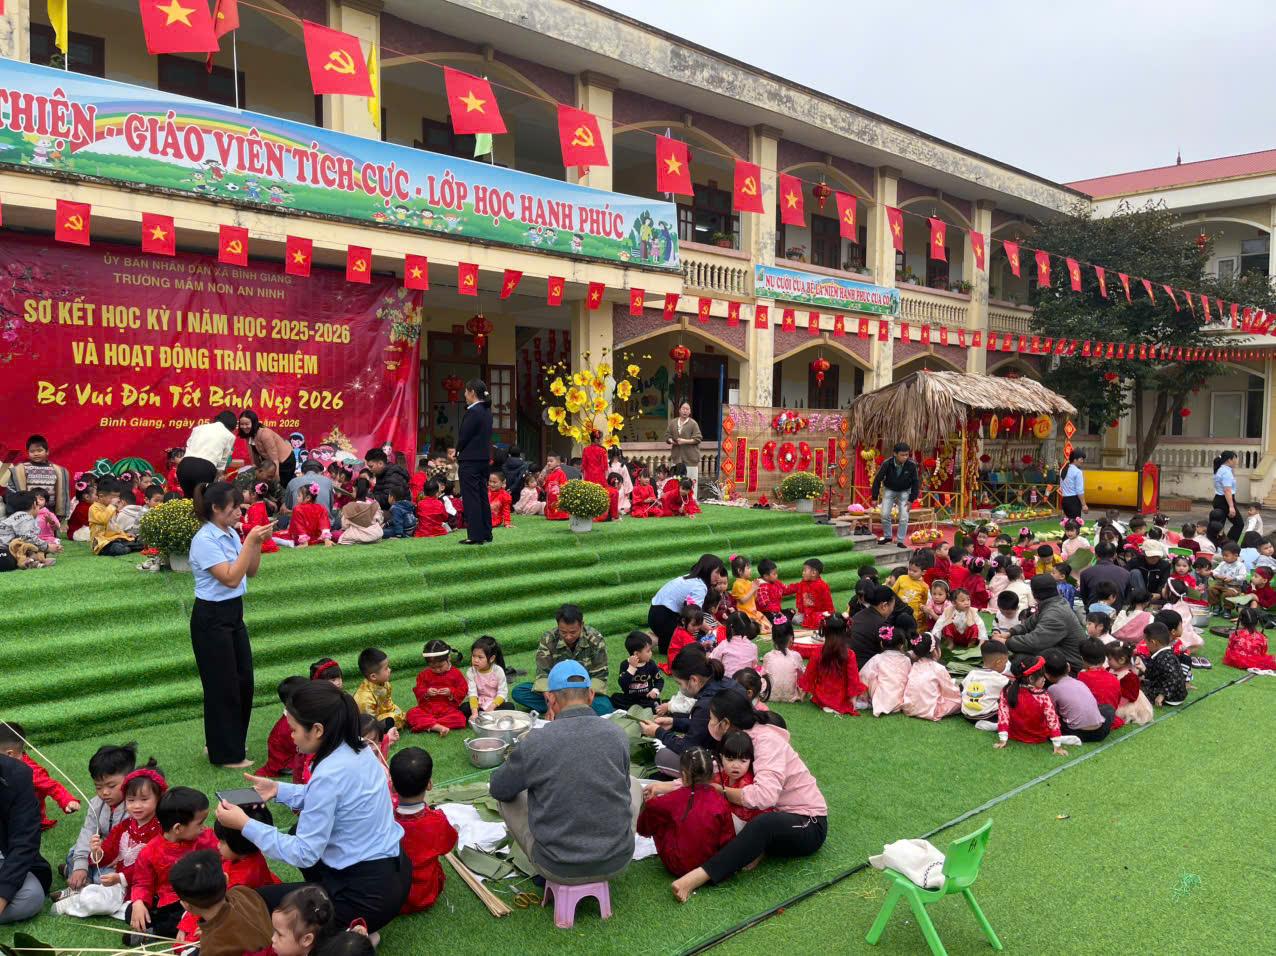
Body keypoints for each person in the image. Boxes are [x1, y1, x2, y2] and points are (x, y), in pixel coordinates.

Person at [217, 682, 411, 933]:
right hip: (394, 873)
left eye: (294, 729)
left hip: (366, 898)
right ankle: (333, 908)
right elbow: (333, 798)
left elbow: (304, 853)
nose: (291, 736)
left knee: (256, 903)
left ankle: (348, 928)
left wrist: (245, 825)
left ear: (317, 730)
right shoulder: (359, 746)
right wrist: (276, 789)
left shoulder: (329, 772)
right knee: (298, 830)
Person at [666, 689, 827, 903]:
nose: (709, 724)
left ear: (724, 723)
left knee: (763, 823)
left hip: (808, 823)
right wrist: (666, 788)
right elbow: (712, 771)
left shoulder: (766, 741)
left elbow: (765, 796)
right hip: (771, 815)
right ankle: (755, 848)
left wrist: (721, 790)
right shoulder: (738, 739)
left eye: (711, 719)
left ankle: (697, 877)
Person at [489, 661, 639, 886]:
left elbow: (498, 788)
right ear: (591, 695)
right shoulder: (617, 734)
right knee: (634, 784)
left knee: (507, 797)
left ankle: (548, 860)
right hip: (617, 860)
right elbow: (623, 788)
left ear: (550, 698)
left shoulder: (537, 740)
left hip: (557, 866)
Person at [189, 481, 273, 767]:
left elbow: (251, 570)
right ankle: (225, 753)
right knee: (222, 685)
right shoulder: (204, 539)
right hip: (211, 617)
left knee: (243, 681)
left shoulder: (231, 534)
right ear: (215, 508)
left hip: (233, 614)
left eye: (240, 506)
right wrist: (249, 542)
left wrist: (256, 543)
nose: (240, 512)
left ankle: (228, 742)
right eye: (234, 507)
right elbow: (230, 578)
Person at [637, 747, 735, 877]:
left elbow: (643, 828)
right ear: (712, 774)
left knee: (659, 816)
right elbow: (728, 838)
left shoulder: (666, 801)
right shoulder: (721, 801)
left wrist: (651, 803)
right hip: (711, 866)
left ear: (683, 774)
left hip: (678, 866)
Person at [640, 648, 739, 776]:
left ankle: (694, 781)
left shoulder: (707, 704)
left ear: (694, 680)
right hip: (735, 752)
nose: (680, 689)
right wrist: (674, 723)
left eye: (679, 683)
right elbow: (704, 726)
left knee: (663, 756)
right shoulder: (725, 682)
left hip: (723, 762)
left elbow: (688, 749)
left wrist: (658, 732)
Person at [388, 748, 457, 914]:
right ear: (429, 785)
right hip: (424, 896)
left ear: (393, 787)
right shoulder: (437, 821)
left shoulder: (383, 820)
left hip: (390, 898)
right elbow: (448, 845)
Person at [511, 604, 613, 715]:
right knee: (519, 692)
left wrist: (582, 698)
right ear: (558, 626)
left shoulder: (595, 639)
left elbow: (600, 674)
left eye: (573, 632)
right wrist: (549, 700)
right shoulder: (548, 638)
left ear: (582, 625)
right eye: (563, 632)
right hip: (558, 691)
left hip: (582, 690)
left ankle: (563, 708)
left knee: (605, 707)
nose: (568, 637)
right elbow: (543, 672)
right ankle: (575, 709)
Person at [170, 849, 274, 956]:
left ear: (186, 906)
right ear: (226, 879)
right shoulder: (243, 892)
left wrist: (211, 935)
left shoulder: (211, 950)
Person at [64, 743, 135, 891]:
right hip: (100, 853)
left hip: (121, 859)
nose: (105, 792)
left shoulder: (136, 806)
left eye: (111, 786)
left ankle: (83, 884)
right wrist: (80, 867)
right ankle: (80, 882)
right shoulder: (96, 804)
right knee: (74, 854)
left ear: (130, 779)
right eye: (98, 787)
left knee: (102, 877)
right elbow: (88, 832)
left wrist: (121, 857)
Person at [995, 573, 1087, 672]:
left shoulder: (1055, 612)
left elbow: (1034, 642)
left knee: (1021, 661)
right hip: (1060, 657)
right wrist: (1009, 633)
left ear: (1033, 594)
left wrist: (1006, 642)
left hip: (1070, 667)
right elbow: (1029, 623)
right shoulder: (1054, 603)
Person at [0, 753, 51, 924]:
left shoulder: (16, 774)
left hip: (5, 859)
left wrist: (2, 896)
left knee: (31, 897)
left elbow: (24, 842)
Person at [0, 722, 78, 830]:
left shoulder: (31, 772)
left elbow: (53, 787)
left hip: (25, 819)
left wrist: (68, 801)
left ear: (9, 754)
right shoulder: (6, 762)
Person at [648, 555, 728, 655]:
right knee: (685, 647)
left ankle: (659, 639)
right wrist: (711, 631)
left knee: (682, 640)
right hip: (662, 617)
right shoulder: (699, 587)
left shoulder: (692, 578)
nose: (719, 577)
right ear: (708, 570)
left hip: (656, 612)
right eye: (717, 572)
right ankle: (653, 639)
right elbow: (694, 615)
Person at [1042, 648, 1116, 742]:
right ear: (1068, 667)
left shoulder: (1052, 689)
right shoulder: (1079, 682)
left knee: (1050, 722)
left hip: (1077, 734)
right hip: (1100, 733)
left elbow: (1052, 714)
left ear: (1046, 675)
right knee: (1108, 708)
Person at [798, 615, 866, 714]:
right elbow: (853, 679)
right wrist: (853, 699)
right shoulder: (849, 654)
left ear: (825, 631)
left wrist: (803, 694)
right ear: (845, 632)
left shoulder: (818, 652)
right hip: (841, 697)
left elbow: (810, 674)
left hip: (821, 696)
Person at [456, 379, 494, 545]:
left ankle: (475, 535)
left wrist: (457, 451)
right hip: (483, 459)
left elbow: (464, 436)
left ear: (472, 392)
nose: (464, 394)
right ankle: (486, 532)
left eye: (466, 391)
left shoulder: (473, 412)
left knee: (471, 498)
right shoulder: (486, 411)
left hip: (470, 460)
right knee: (482, 496)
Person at [405, 640, 467, 735]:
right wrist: (426, 692)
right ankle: (437, 726)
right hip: (427, 709)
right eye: (433, 667)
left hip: (448, 710)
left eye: (441, 666)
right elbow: (418, 689)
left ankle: (429, 725)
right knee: (411, 714)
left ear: (448, 658)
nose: (437, 670)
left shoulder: (456, 673)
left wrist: (451, 692)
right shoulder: (424, 674)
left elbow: (463, 690)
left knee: (460, 719)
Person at [7, 434, 71, 520]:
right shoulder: (21, 470)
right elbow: (12, 493)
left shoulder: (58, 471)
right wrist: (12, 513)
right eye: (32, 451)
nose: (36, 454)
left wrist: (61, 516)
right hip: (27, 511)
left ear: (47, 452)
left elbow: (63, 494)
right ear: (28, 453)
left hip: (50, 511)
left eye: (39, 450)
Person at [901, 630, 961, 721]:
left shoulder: (914, 665)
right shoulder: (938, 668)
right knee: (958, 701)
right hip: (929, 710)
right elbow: (951, 692)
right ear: (934, 651)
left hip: (909, 708)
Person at [871, 442, 920, 548]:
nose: (905, 457)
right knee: (884, 514)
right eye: (902, 455)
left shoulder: (912, 465)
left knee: (904, 516)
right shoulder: (887, 463)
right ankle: (888, 537)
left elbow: (916, 483)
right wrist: (874, 497)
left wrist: (911, 500)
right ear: (895, 454)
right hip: (889, 489)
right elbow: (877, 479)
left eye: (907, 455)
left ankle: (900, 541)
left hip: (905, 491)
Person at [177, 413, 239, 497]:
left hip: (184, 466)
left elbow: (188, 444)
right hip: (205, 468)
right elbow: (223, 459)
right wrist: (217, 476)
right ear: (231, 427)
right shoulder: (229, 436)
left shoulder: (198, 428)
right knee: (203, 499)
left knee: (188, 498)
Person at [856, 624, 912, 716]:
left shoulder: (877, 658)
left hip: (882, 700)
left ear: (881, 644)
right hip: (901, 700)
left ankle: (867, 700)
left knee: (869, 676)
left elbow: (864, 676)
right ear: (902, 646)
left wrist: (862, 695)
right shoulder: (906, 660)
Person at [268, 885, 339, 956]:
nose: (273, 939)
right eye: (274, 930)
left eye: (279, 935)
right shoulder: (281, 950)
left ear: (306, 939)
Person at [238, 409, 297, 487]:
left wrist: (276, 477)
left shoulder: (264, 434)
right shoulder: (248, 436)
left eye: (247, 424)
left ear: (253, 423)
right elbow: (253, 457)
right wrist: (255, 469)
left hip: (284, 461)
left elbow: (274, 458)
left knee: (280, 485)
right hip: (271, 461)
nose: (244, 427)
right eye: (242, 424)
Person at [353, 647, 406, 732]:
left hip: (383, 713)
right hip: (370, 721)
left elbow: (388, 703)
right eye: (386, 668)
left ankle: (393, 723)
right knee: (391, 719)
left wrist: (399, 713)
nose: (390, 670)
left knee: (400, 714)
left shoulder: (385, 684)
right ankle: (386, 728)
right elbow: (368, 721)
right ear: (373, 676)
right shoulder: (364, 698)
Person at [848, 585, 898, 669]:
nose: (893, 609)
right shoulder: (882, 626)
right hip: (865, 669)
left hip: (848, 664)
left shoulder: (858, 615)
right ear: (884, 605)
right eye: (893, 606)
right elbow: (892, 654)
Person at [612, 631, 664, 710]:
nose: (651, 653)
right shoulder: (625, 665)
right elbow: (623, 684)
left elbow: (659, 680)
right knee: (614, 699)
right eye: (648, 651)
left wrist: (655, 691)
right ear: (636, 654)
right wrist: (632, 668)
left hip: (646, 699)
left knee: (655, 706)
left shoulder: (651, 664)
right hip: (629, 699)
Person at [462, 635, 512, 718]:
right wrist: (474, 713)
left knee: (509, 707)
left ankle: (486, 715)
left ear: (491, 658)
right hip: (479, 704)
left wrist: (491, 708)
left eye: (480, 657)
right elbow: (472, 693)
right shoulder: (471, 672)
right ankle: (484, 715)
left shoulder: (498, 671)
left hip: (495, 704)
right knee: (463, 708)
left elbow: (502, 693)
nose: (475, 660)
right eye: (474, 656)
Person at [1140, 622, 1187, 707]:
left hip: (1171, 696)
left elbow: (1173, 677)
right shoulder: (1167, 654)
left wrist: (1162, 695)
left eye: (1146, 643)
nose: (1146, 645)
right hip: (1172, 690)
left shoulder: (1164, 658)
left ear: (1153, 642)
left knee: (1137, 691)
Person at [1079, 541, 1132, 612]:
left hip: (1093, 615)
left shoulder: (1085, 573)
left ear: (1095, 555)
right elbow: (1127, 599)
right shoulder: (1126, 574)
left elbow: (1084, 598)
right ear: (1115, 555)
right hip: (1117, 614)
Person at [761, 618, 804, 703]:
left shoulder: (768, 656)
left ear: (773, 638)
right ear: (791, 638)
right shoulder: (795, 656)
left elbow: (765, 677)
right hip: (791, 696)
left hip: (769, 695)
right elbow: (802, 676)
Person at [667, 401, 703, 486]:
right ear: (679, 410)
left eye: (687, 409)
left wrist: (684, 441)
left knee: (691, 484)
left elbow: (698, 439)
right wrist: (671, 440)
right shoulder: (673, 422)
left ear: (690, 411)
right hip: (676, 458)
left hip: (690, 459)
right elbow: (667, 435)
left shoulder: (693, 423)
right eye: (683, 408)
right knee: (676, 484)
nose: (685, 411)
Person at [336, 479, 383, 545]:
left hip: (355, 536)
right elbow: (380, 520)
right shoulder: (374, 504)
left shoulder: (349, 507)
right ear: (368, 490)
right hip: (375, 535)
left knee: (334, 533)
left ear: (354, 489)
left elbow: (345, 525)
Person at [1213, 451, 1244, 543]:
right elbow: (1227, 490)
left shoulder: (1221, 469)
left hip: (1219, 499)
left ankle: (1220, 544)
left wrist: (1232, 469)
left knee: (1219, 526)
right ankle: (1228, 544)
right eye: (1234, 459)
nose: (1236, 461)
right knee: (1239, 524)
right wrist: (1231, 506)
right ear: (1229, 460)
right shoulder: (1226, 472)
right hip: (1225, 500)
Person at [1058, 448, 1088, 519]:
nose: (1082, 461)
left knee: (1068, 523)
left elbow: (1061, 488)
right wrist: (1084, 505)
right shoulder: (1078, 472)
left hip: (1064, 500)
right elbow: (1079, 491)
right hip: (1073, 501)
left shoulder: (1063, 470)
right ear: (1075, 460)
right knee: (1075, 523)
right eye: (1081, 459)